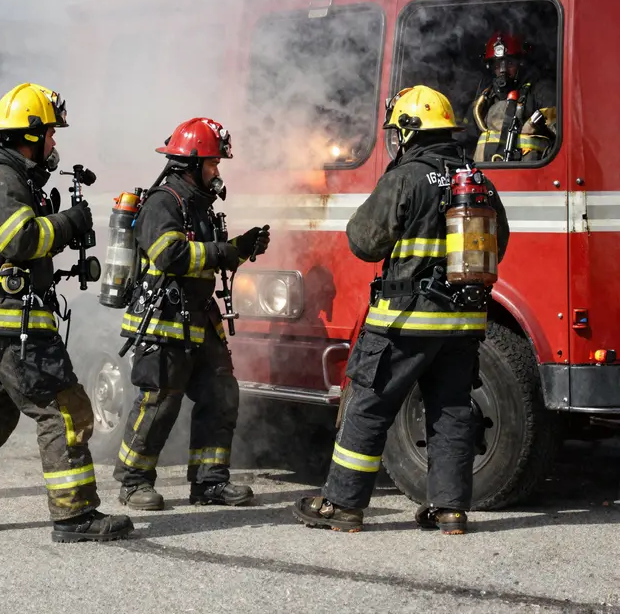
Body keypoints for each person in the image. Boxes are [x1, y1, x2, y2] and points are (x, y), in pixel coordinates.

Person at [0, 83, 133, 543]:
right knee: (66, 409)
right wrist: (69, 222)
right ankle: (75, 516)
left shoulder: (11, 178)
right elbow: (21, 241)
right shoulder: (2, 180)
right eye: (51, 133)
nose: (54, 143)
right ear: (30, 135)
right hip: (13, 324)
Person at [294, 85, 509, 535]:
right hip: (463, 323)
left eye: (398, 131)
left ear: (411, 131)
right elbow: (499, 242)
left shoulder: (407, 177)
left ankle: (342, 504)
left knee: (369, 407)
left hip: (404, 321)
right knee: (452, 411)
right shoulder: (477, 180)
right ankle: (450, 510)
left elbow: (364, 241)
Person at [113, 118, 270, 511]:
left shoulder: (200, 205)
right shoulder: (163, 202)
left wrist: (241, 247)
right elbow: (170, 254)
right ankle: (133, 482)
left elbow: (208, 258)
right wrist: (223, 251)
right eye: (213, 163)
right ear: (193, 164)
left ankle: (209, 482)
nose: (217, 171)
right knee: (159, 403)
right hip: (163, 320)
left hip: (199, 320)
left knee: (221, 394)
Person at [466, 32, 557, 162]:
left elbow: (562, 134)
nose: (503, 71)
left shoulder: (540, 91)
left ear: (521, 64)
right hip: (486, 171)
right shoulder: (485, 98)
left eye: (509, 63)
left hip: (531, 170)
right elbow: (468, 138)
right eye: (497, 65)